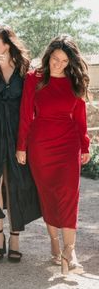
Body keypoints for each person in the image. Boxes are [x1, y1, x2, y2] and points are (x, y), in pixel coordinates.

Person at [17, 35, 90, 274]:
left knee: (69, 194)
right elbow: (27, 114)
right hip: (41, 145)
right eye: (55, 59)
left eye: (64, 61)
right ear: (48, 57)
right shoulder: (34, 79)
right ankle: (55, 245)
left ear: (71, 62)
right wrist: (22, 146)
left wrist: (85, 145)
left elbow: (80, 119)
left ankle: (71, 251)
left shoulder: (75, 81)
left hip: (69, 145)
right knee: (48, 194)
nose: (58, 64)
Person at [0, 25, 41, 263]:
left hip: (17, 133)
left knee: (17, 181)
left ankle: (14, 236)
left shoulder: (25, 70)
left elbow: (34, 103)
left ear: (7, 43)